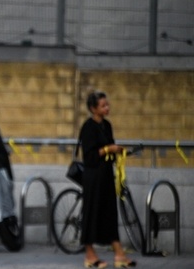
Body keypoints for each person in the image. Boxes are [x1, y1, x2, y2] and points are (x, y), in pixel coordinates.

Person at [79, 91, 136, 269]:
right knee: (91, 214)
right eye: (103, 106)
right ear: (93, 108)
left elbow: (110, 146)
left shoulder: (107, 125)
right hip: (93, 177)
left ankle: (118, 253)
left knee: (110, 213)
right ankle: (89, 254)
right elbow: (88, 157)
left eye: (107, 105)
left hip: (106, 176)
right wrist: (108, 149)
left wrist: (117, 150)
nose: (107, 108)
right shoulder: (88, 127)